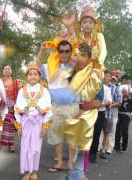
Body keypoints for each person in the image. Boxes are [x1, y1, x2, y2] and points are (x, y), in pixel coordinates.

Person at [37, 40, 79, 173]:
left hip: (72, 107)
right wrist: (42, 50)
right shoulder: (50, 67)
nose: (64, 53)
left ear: (71, 52)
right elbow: (35, 66)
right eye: (61, 51)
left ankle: (71, 164)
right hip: (54, 107)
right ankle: (60, 162)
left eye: (67, 51)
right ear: (57, 52)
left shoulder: (75, 66)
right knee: (56, 136)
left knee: (72, 137)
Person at [63, 43, 103, 180]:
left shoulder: (94, 76)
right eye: (77, 55)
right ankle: (71, 167)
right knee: (71, 142)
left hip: (86, 115)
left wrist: (81, 107)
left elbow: (98, 102)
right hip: (70, 114)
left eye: (84, 55)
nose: (80, 58)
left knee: (83, 145)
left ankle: (80, 172)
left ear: (90, 58)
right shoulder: (70, 75)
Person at [13, 61, 52, 180]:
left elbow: (49, 110)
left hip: (38, 122)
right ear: (26, 76)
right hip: (25, 122)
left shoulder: (44, 91)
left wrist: (45, 126)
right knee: (25, 146)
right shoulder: (21, 91)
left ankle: (34, 170)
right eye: (30, 74)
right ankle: (26, 171)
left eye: (36, 74)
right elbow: (16, 109)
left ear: (39, 76)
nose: (33, 76)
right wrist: (18, 125)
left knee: (36, 147)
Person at [0, 64, 20, 152]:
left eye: (9, 69)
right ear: (3, 71)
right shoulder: (0, 81)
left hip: (11, 108)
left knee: (10, 126)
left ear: (11, 71)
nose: (7, 70)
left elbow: (18, 94)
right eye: (5, 69)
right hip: (1, 107)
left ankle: (11, 145)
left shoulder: (15, 82)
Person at [114, 87, 132, 153]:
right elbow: (118, 103)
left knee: (124, 130)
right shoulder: (121, 98)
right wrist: (122, 96)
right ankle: (116, 146)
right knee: (118, 130)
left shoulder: (131, 99)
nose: (124, 92)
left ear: (128, 92)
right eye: (123, 91)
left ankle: (124, 146)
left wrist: (127, 96)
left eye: (125, 91)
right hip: (120, 115)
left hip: (126, 115)